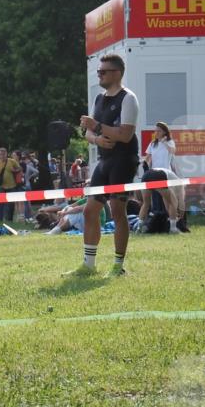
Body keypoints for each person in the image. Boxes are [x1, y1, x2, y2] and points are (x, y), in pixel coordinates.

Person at [72, 53, 139, 276]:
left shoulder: (128, 98)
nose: (99, 75)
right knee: (90, 211)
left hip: (124, 160)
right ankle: (88, 265)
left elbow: (126, 135)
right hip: (105, 160)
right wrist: (97, 139)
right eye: (98, 71)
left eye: (103, 71)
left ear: (117, 73)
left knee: (118, 211)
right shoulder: (99, 99)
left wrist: (97, 127)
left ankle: (118, 266)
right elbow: (88, 133)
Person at [141, 121, 187, 233]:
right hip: (155, 174)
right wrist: (143, 164)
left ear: (164, 132)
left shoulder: (170, 142)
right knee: (154, 202)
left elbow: (172, 151)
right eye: (155, 131)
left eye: (158, 131)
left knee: (169, 201)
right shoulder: (153, 144)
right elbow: (147, 158)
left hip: (166, 175)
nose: (156, 133)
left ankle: (174, 223)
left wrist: (164, 142)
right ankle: (161, 224)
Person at [0, 147, 22, 222]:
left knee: (11, 204)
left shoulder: (12, 161)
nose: (2, 156)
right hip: (1, 187)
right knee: (1, 203)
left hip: (12, 186)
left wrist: (14, 170)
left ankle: (9, 220)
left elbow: (20, 169)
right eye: (0, 154)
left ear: (6, 154)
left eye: (4, 154)